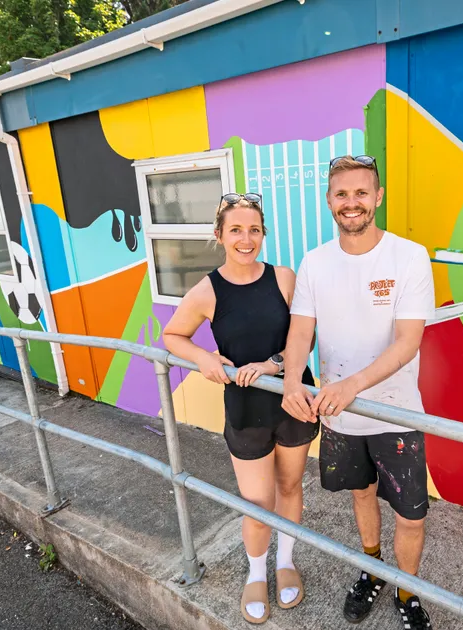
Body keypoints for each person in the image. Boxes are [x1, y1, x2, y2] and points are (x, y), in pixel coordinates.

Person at [281, 155, 436, 629]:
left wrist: (352, 385)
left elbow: (408, 342)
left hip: (397, 414)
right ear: (330, 201)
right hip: (340, 417)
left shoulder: (409, 256)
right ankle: (372, 569)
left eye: (361, 193)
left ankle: (407, 590)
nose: (352, 203)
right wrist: (291, 380)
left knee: (411, 516)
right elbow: (300, 331)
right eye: (342, 194)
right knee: (362, 495)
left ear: (378, 197)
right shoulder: (315, 262)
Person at [162, 192, 318, 625]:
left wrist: (274, 364)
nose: (245, 239)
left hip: (294, 399)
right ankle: (256, 573)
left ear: (263, 234)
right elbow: (172, 335)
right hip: (246, 410)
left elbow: (307, 335)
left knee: (290, 487)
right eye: (235, 230)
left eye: (254, 230)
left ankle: (285, 562)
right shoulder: (207, 291)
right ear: (219, 235)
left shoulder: (284, 278)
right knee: (258, 500)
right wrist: (204, 358)